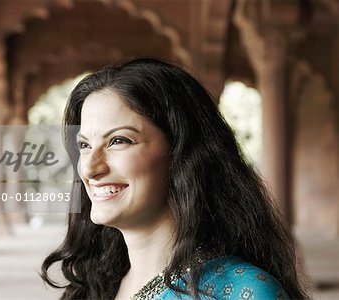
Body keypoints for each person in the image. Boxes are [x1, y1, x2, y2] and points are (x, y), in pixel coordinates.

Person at [41, 58, 309, 299]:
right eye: (84, 145)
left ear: (183, 154)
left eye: (118, 141)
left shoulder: (244, 293)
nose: (89, 168)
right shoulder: (93, 288)